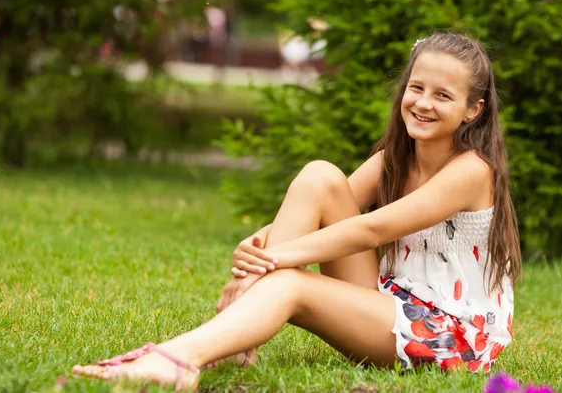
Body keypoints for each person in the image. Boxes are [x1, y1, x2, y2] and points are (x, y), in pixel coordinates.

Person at [72, 32, 521, 390]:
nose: (422, 103)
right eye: (416, 88)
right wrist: (265, 238)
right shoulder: (397, 156)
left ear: (472, 110)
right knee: (319, 175)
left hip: (451, 336)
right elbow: (326, 199)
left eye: (442, 96)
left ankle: (177, 360)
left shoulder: (472, 171)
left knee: (289, 282)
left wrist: (275, 259)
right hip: (391, 302)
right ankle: (229, 334)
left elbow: (371, 229)